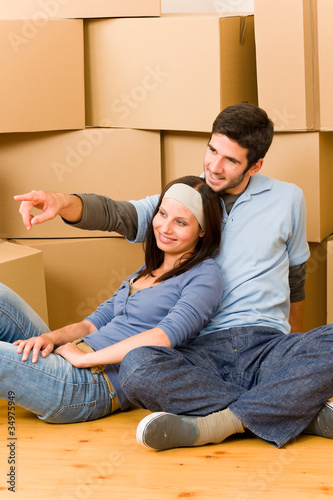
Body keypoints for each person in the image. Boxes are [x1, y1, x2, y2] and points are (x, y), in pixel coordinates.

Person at [14, 103, 333, 449]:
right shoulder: (188, 198)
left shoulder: (288, 198)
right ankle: (299, 412)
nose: (214, 165)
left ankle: (223, 422)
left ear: (255, 165)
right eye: (212, 150)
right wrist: (62, 201)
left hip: (265, 342)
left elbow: (296, 276)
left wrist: (293, 350)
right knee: (137, 367)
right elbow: (118, 214)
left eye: (230, 160)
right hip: (198, 352)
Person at [0, 176, 223, 423]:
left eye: (180, 222)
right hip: (72, 354)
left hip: (92, 383)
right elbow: (91, 324)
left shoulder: (205, 274)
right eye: (162, 214)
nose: (165, 227)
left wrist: (84, 359)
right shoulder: (146, 270)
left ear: (203, 230)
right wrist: (48, 339)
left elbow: (163, 338)